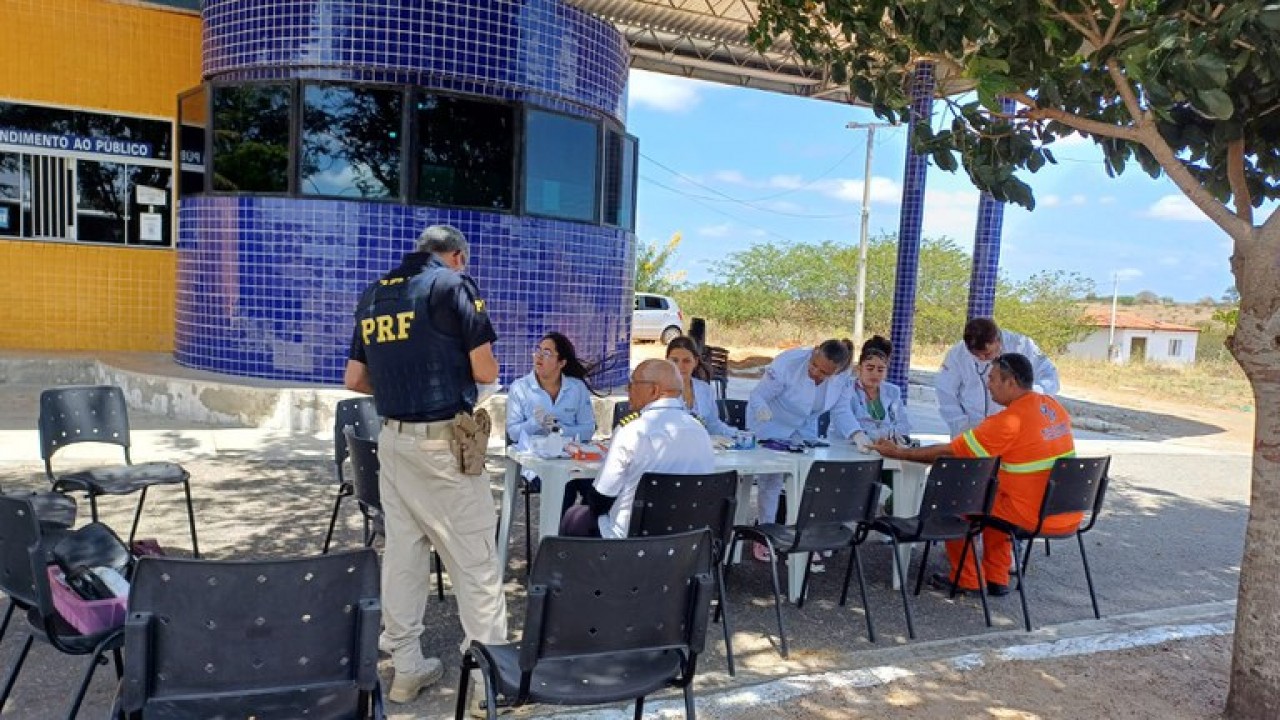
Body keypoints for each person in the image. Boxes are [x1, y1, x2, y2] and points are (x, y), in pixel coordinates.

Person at [343, 224, 506, 705]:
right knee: (476, 561)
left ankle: (407, 670)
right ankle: (488, 686)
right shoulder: (452, 285)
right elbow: (486, 370)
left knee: (404, 556)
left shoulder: (374, 294)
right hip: (443, 448)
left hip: (392, 443)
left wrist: (402, 391)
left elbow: (355, 378)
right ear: (456, 256)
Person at [872, 353, 1077, 596]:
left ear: (1010, 382)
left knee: (956, 502)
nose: (987, 384)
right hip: (1065, 512)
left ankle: (967, 579)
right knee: (993, 501)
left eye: (992, 379)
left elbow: (950, 453)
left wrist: (899, 453)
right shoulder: (1053, 407)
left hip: (1030, 515)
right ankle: (996, 578)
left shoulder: (1009, 421)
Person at [560, 359, 715, 538]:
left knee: (573, 517)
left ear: (654, 390)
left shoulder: (632, 431)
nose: (628, 390)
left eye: (632, 383)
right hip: (687, 539)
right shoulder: (700, 431)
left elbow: (601, 498)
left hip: (631, 540)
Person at [746, 339, 860, 561]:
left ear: (836, 371)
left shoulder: (843, 377)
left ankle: (803, 536)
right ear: (815, 351)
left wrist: (857, 434)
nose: (815, 373)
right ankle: (765, 534)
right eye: (814, 366)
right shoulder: (788, 362)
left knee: (809, 479)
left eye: (824, 373)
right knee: (771, 480)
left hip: (805, 425)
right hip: (771, 420)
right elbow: (758, 395)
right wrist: (760, 409)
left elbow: (841, 410)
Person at [506, 331, 598, 513]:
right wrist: (535, 423)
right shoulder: (520, 388)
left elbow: (588, 428)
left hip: (572, 458)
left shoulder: (576, 388)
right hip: (536, 461)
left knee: (597, 488)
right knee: (564, 488)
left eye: (547, 353)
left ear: (561, 363)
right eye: (538, 350)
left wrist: (562, 430)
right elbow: (513, 433)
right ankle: (555, 539)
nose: (539, 356)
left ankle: (585, 535)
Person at [935, 317, 1061, 437]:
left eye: (987, 353)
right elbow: (945, 391)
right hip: (971, 428)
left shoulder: (1022, 345)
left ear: (998, 340)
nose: (983, 359)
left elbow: (1050, 377)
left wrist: (1030, 396)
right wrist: (960, 425)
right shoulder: (957, 354)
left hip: (1014, 426)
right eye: (976, 355)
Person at [666, 335, 737, 438]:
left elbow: (713, 425)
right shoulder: (658, 391)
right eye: (675, 360)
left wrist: (737, 434)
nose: (680, 366)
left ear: (695, 362)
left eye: (686, 361)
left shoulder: (705, 390)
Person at [851, 335, 910, 442]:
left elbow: (904, 426)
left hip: (888, 449)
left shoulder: (893, 392)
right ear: (859, 368)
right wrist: (883, 435)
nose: (875, 374)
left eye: (880, 369)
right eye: (870, 368)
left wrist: (894, 436)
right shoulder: (848, 391)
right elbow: (847, 425)